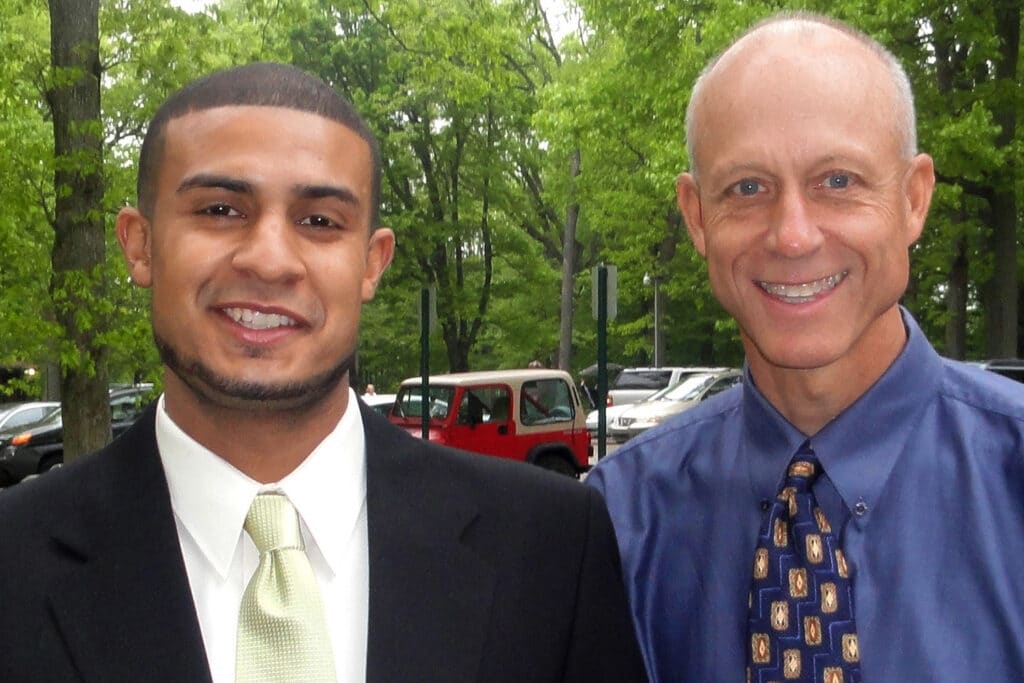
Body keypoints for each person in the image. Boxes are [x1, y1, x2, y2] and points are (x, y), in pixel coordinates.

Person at [0, 63, 647, 683]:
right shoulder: (15, 559)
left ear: (372, 262)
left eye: (319, 221)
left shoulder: (550, 549)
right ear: (139, 244)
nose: (270, 259)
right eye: (220, 209)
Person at [588, 11, 1024, 683]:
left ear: (913, 199)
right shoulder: (616, 525)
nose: (792, 235)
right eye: (748, 188)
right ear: (698, 216)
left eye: (838, 181)